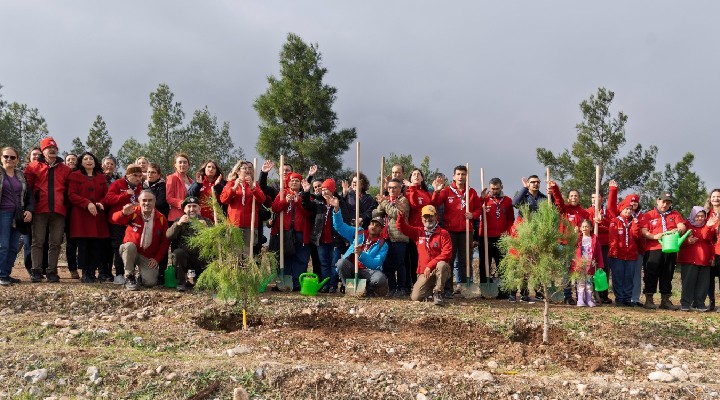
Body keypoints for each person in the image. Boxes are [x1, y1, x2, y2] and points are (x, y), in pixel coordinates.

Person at [24, 137, 72, 283]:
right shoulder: (33, 167)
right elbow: (27, 190)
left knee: (55, 242)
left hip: (59, 211)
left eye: (54, 148)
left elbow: (69, 191)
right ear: (42, 151)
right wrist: (29, 208)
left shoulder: (65, 169)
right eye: (48, 148)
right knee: (37, 241)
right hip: (39, 209)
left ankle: (51, 271)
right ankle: (36, 271)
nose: (52, 150)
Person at [431, 165, 481, 297]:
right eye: (458, 174)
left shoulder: (471, 192)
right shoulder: (447, 190)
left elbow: (478, 209)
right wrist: (436, 191)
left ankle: (464, 287)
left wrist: (473, 215)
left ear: (466, 176)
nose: (460, 177)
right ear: (454, 176)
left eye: (463, 174)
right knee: (449, 259)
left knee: (465, 260)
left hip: (466, 230)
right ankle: (447, 289)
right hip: (450, 231)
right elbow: (435, 203)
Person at [328, 196, 389, 297]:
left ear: (381, 230)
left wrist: (361, 254)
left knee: (380, 278)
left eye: (377, 225)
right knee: (341, 263)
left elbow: (375, 264)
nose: (374, 226)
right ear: (368, 225)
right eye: (372, 224)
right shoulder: (358, 232)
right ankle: (349, 288)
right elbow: (340, 227)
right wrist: (336, 209)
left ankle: (368, 290)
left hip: (368, 271)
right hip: (352, 268)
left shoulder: (383, 244)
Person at [112, 190, 170, 291]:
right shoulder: (133, 211)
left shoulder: (161, 218)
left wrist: (157, 259)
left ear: (154, 202)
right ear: (139, 201)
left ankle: (140, 277)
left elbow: (165, 242)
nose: (147, 203)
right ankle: (129, 277)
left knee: (150, 283)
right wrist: (123, 213)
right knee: (129, 246)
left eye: (150, 200)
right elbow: (115, 219)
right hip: (131, 250)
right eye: (144, 200)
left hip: (147, 256)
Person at [638, 192, 687, 310]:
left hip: (670, 248)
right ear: (657, 200)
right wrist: (655, 236)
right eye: (663, 202)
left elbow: (682, 226)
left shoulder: (674, 214)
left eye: (668, 203)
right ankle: (649, 299)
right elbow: (643, 231)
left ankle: (665, 300)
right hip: (654, 249)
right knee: (651, 273)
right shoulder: (649, 215)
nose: (665, 205)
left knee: (668, 273)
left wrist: (678, 230)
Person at [67, 151, 110, 283]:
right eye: (85, 159)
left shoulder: (101, 177)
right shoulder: (75, 176)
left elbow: (106, 195)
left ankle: (93, 272)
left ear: (95, 162)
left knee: (96, 246)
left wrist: (101, 203)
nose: (88, 160)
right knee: (83, 246)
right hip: (81, 216)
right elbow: (71, 195)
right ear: (81, 162)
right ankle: (85, 273)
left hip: (97, 216)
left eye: (91, 158)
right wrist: (87, 204)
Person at [397, 205, 452, 305]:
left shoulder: (443, 233)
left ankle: (438, 293)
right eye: (425, 216)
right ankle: (430, 290)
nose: (428, 219)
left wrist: (430, 265)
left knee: (442, 264)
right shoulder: (418, 232)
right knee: (415, 297)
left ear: (436, 216)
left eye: (430, 216)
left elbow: (447, 253)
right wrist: (401, 215)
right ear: (421, 218)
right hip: (424, 272)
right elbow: (402, 227)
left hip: (438, 269)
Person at [270, 172, 312, 291]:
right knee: (284, 257)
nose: (294, 182)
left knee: (300, 258)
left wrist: (298, 202)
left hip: (301, 232)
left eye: (297, 181)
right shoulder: (283, 193)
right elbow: (275, 208)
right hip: (285, 231)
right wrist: (285, 202)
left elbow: (309, 213)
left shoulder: (306, 195)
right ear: (288, 182)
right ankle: (283, 283)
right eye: (292, 180)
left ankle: (297, 283)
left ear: (301, 183)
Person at [103, 164, 144, 283]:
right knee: (118, 248)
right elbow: (108, 199)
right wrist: (125, 194)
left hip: (133, 222)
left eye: (140, 176)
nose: (138, 178)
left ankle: (131, 273)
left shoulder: (140, 187)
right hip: (118, 222)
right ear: (127, 175)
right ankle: (119, 274)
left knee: (133, 247)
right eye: (135, 175)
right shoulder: (118, 183)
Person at [511, 174, 548, 302]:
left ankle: (538, 292)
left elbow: (550, 212)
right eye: (532, 182)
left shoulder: (543, 198)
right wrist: (524, 188)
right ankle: (523, 292)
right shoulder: (523, 196)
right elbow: (514, 203)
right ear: (529, 183)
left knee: (537, 263)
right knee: (522, 263)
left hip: (538, 233)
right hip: (523, 232)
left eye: (537, 182)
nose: (535, 184)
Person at [0, 147, 33, 285]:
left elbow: (29, 196)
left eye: (13, 157)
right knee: (3, 245)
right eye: (6, 156)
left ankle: (6, 274)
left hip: (18, 215)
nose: (9, 159)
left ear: (17, 160)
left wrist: (30, 210)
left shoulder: (21, 175)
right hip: (3, 214)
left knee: (14, 246)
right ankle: (1, 275)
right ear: (1, 158)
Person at [304, 178, 343, 292]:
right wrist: (306, 192)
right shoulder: (318, 202)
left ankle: (333, 286)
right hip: (321, 239)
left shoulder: (339, 202)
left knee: (334, 264)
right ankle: (325, 285)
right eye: (323, 189)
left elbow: (344, 218)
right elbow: (306, 205)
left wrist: (336, 207)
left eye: (327, 189)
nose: (325, 192)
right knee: (324, 263)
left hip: (335, 239)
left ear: (333, 190)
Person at [478, 177, 515, 298]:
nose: (495, 191)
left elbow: (511, 219)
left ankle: (503, 291)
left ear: (501, 187)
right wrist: (480, 200)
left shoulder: (507, 201)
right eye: (493, 189)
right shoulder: (484, 200)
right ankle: (485, 290)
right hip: (485, 237)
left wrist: (508, 233)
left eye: (497, 188)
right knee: (484, 264)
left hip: (501, 237)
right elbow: (475, 212)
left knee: (502, 264)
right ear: (489, 188)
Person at [220, 161, 266, 256]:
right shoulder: (231, 183)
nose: (247, 170)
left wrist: (253, 188)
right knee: (234, 253)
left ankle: (246, 270)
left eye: (249, 168)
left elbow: (262, 199)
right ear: (237, 171)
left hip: (250, 224)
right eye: (244, 168)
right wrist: (234, 188)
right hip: (235, 224)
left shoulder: (254, 184)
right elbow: (223, 200)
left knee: (246, 254)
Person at [166, 196, 211, 292]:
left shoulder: (206, 221)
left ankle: (202, 280)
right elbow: (169, 236)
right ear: (184, 209)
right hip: (184, 259)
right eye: (189, 206)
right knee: (178, 253)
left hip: (200, 258)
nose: (192, 209)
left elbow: (215, 240)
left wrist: (207, 229)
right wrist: (178, 224)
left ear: (199, 209)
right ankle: (181, 283)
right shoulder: (179, 221)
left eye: (194, 206)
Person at [374, 178, 410, 296]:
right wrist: (381, 203)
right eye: (389, 187)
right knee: (387, 264)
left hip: (399, 237)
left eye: (395, 187)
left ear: (400, 188)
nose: (392, 190)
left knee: (399, 264)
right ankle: (392, 288)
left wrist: (384, 203)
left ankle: (402, 288)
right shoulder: (387, 200)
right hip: (386, 237)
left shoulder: (403, 200)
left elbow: (395, 213)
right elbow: (376, 213)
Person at [677, 206, 717, 311]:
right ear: (693, 215)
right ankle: (685, 303)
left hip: (705, 259)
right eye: (697, 216)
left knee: (703, 283)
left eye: (702, 216)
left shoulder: (709, 225)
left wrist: (712, 257)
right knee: (688, 282)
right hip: (689, 259)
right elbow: (678, 241)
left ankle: (699, 303)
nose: (700, 218)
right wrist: (687, 242)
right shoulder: (686, 225)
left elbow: (708, 239)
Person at [607, 197, 642, 307]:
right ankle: (619, 298)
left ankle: (627, 298)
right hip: (618, 255)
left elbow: (637, 235)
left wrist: (636, 224)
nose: (628, 211)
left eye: (630, 210)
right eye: (626, 209)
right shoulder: (615, 221)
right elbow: (613, 238)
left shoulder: (634, 221)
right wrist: (614, 253)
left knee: (629, 277)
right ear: (621, 209)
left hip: (631, 255)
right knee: (618, 277)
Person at [403, 168, 432, 291]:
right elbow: (414, 204)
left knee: (423, 258)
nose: (416, 176)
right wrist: (412, 188)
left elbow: (432, 206)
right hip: (412, 231)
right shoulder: (407, 192)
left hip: (425, 230)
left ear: (422, 178)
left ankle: (423, 284)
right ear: (410, 179)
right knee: (411, 259)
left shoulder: (426, 193)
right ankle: (412, 285)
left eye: (418, 174)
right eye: (413, 174)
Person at [586, 187, 615, 304]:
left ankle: (603, 294)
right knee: (591, 268)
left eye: (597, 197)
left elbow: (612, 226)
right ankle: (592, 294)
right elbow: (585, 227)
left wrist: (603, 221)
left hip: (604, 244)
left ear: (601, 198)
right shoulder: (588, 211)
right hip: (592, 244)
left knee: (604, 269)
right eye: (592, 197)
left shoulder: (607, 212)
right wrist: (593, 223)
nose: (594, 199)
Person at [20, 147, 46, 278]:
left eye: (39, 155)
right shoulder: (22, 172)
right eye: (34, 154)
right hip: (24, 209)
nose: (36, 156)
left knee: (40, 240)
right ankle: (30, 268)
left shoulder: (42, 169)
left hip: (40, 209)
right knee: (28, 240)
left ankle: (40, 268)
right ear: (29, 156)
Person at [63, 153, 80, 279]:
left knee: (79, 241)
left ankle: (80, 267)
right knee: (70, 242)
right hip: (64, 210)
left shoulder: (81, 174)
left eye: (73, 159)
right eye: (68, 160)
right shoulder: (62, 174)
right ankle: (72, 268)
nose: (71, 161)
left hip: (79, 210)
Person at [166, 153, 194, 223]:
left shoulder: (192, 181)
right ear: (175, 165)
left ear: (188, 165)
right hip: (176, 217)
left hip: (191, 217)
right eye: (180, 162)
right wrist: (183, 203)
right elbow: (168, 198)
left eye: (185, 162)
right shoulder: (172, 178)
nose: (182, 164)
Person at [704, 189, 720, 311]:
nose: (716, 199)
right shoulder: (706, 213)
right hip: (709, 250)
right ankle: (712, 302)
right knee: (709, 279)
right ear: (710, 198)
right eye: (714, 196)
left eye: (718, 196)